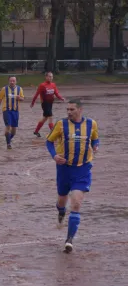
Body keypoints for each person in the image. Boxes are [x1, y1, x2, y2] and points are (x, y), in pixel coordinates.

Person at [45, 99, 99, 253]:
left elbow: (95, 138)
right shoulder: (61, 124)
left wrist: (96, 145)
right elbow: (49, 142)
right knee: (62, 200)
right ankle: (61, 212)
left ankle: (69, 240)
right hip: (64, 169)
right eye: (67, 109)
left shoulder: (91, 124)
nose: (69, 112)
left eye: (72, 109)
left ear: (80, 110)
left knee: (76, 204)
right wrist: (55, 156)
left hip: (82, 169)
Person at [30, 71, 65, 137]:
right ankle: (53, 133)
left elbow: (56, 93)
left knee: (45, 118)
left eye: (52, 76)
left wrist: (61, 98)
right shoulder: (42, 85)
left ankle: (36, 131)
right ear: (46, 77)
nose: (51, 78)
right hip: (45, 104)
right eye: (49, 76)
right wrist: (32, 103)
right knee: (50, 117)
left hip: (50, 103)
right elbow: (36, 94)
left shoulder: (53, 85)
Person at [0, 76, 24, 149]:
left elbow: (22, 98)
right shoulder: (4, 89)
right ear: (8, 81)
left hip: (15, 111)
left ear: (16, 81)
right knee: (8, 126)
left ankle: (7, 138)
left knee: (14, 131)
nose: (12, 82)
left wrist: (19, 98)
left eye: (13, 81)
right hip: (6, 110)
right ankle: (8, 144)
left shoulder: (19, 89)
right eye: (11, 81)